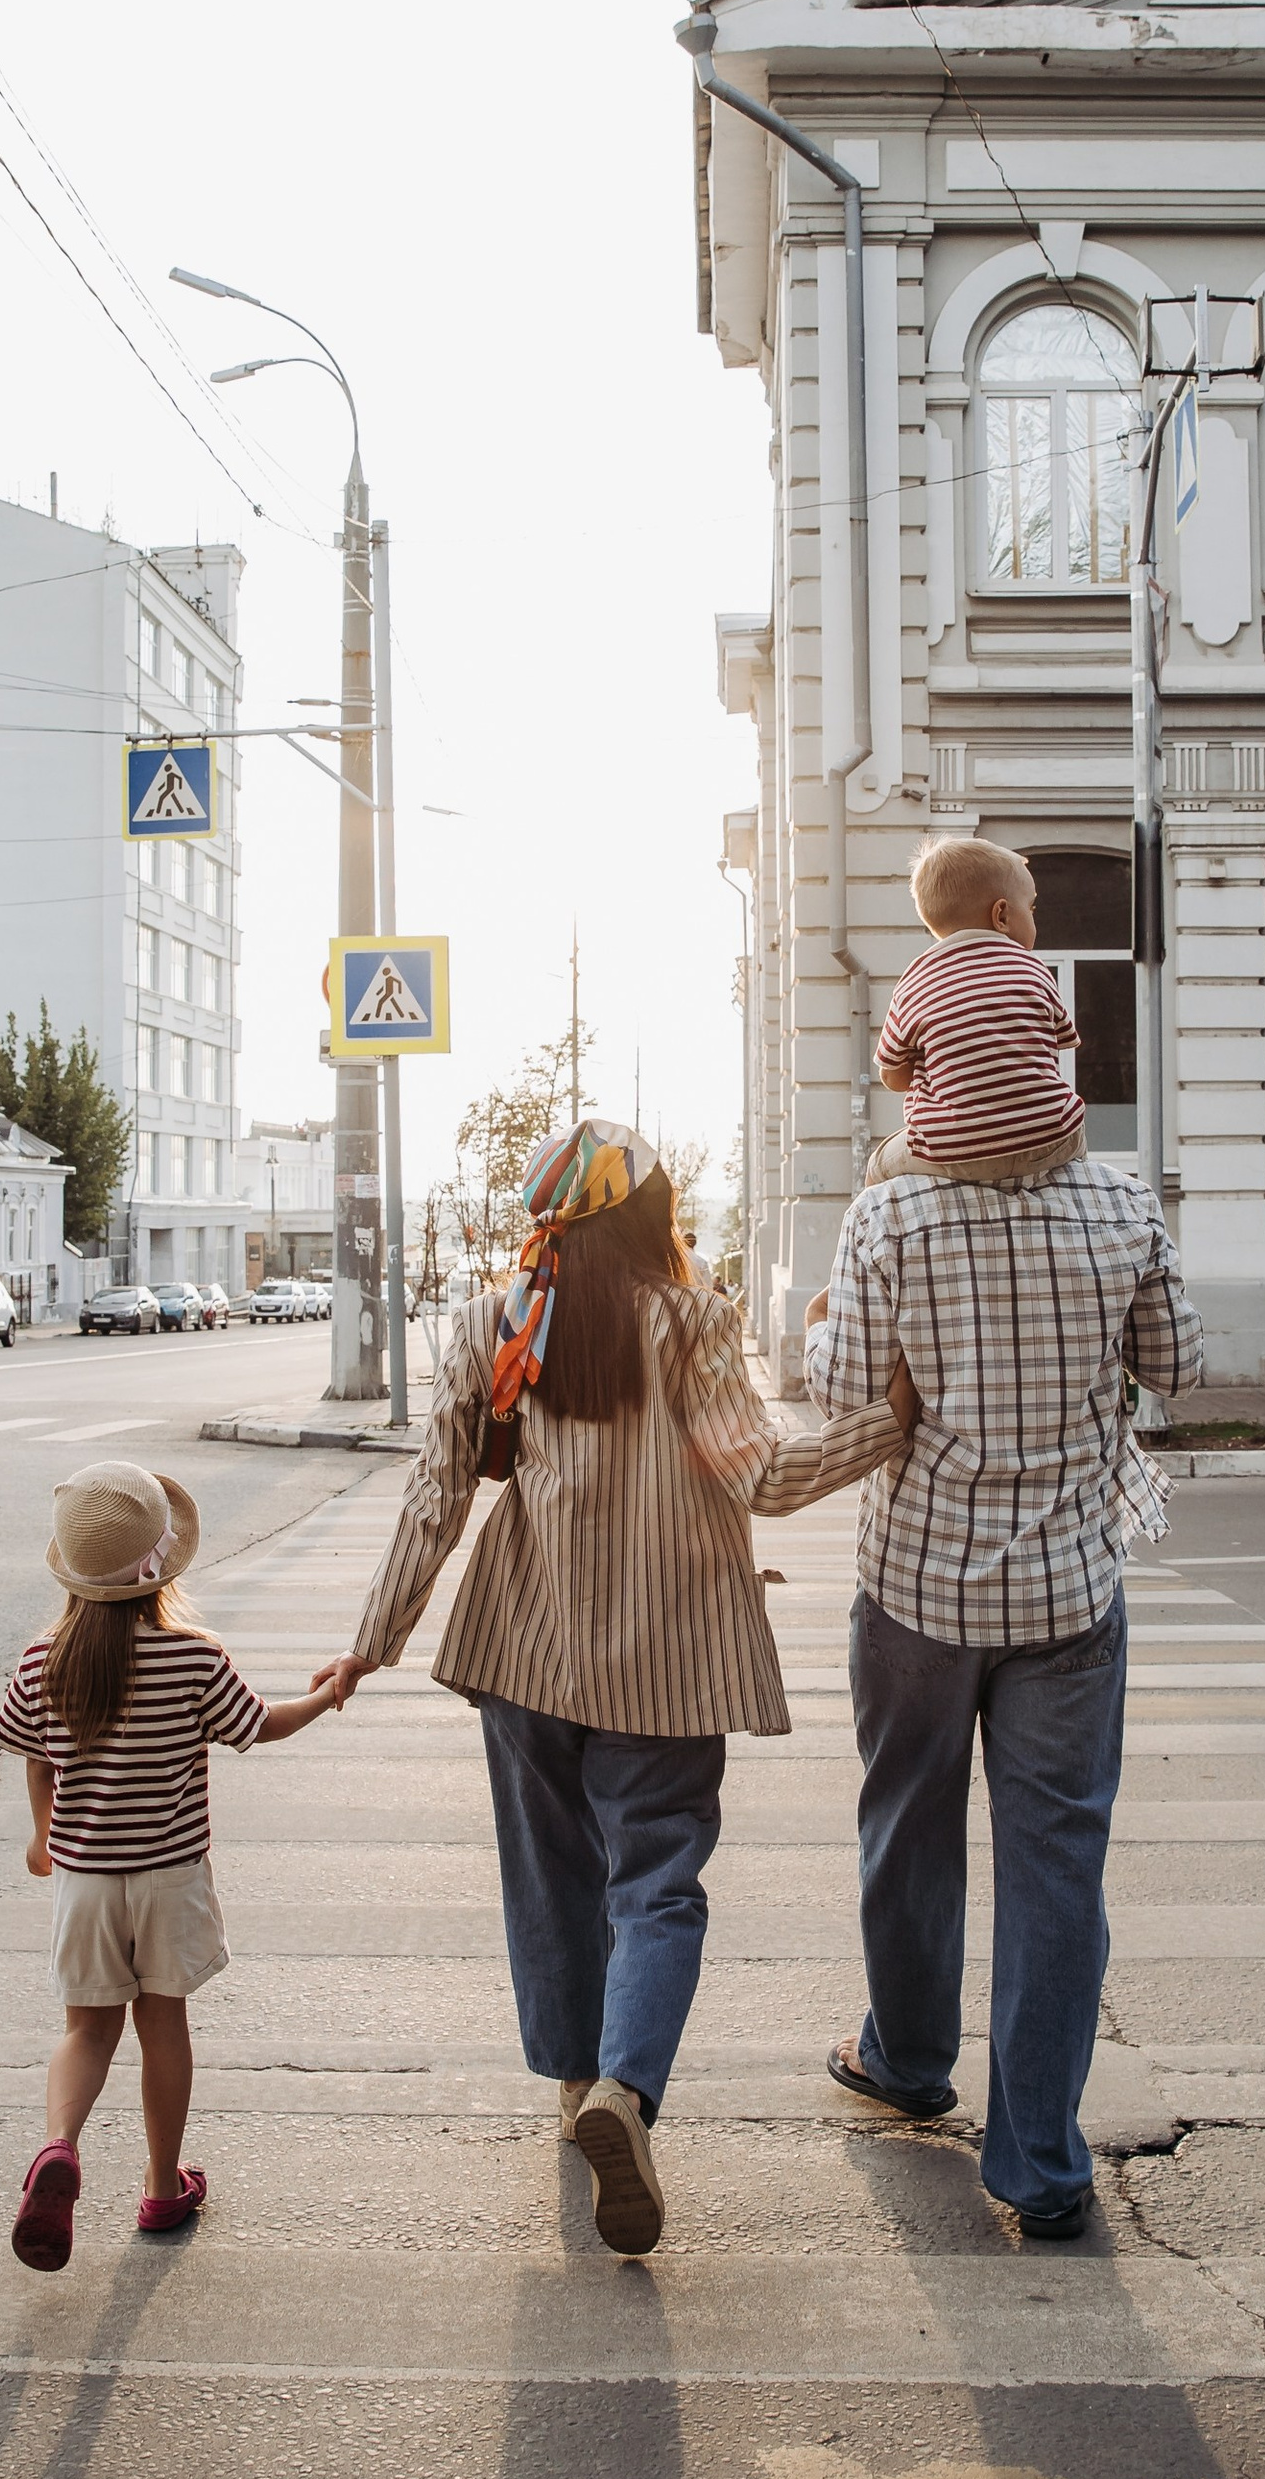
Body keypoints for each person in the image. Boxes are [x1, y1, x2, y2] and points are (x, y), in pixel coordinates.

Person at [322, 1121, 906, 2257]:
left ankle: (574, 2085)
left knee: (549, 1881)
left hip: (524, 1652)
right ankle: (626, 2097)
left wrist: (370, 1642)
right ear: (651, 1217)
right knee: (657, 1884)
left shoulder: (496, 1323)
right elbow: (770, 1477)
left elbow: (435, 1495)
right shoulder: (691, 1320)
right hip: (667, 1664)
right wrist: (893, 1420)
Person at [807, 997, 1201, 2242]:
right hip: (1070, 1591)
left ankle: (910, 2061)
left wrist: (842, 1339)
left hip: (915, 1583)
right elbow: (1177, 1365)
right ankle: (1037, 2163)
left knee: (907, 1827)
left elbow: (837, 1394)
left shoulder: (889, 1212)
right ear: (1050, 1068)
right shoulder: (1123, 1201)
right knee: (1055, 1866)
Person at [1, 1461, 345, 2273]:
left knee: (87, 2031)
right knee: (163, 2030)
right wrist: (328, 1693)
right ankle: (161, 2187)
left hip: (85, 1882)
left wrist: (44, 1835)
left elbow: (34, 1759)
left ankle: (59, 2148)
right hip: (169, 1878)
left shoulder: (40, 1661)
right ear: (161, 1566)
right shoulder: (192, 1658)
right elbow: (260, 1726)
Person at [862, 837, 1086, 1185]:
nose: (1034, 918)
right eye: (1032, 909)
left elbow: (892, 1077)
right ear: (1001, 915)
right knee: (1075, 1126)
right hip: (1050, 1140)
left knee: (878, 1166)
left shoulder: (914, 981)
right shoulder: (1034, 968)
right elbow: (1054, 1043)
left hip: (954, 1151)